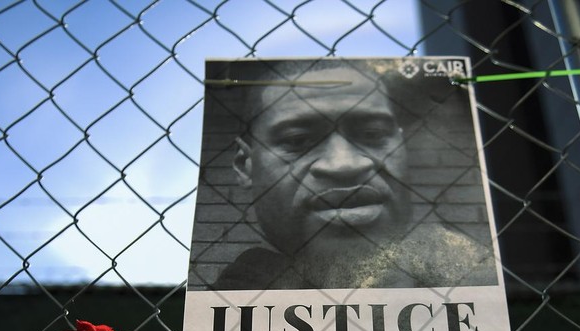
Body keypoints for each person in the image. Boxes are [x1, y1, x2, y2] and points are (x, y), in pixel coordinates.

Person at [211, 59, 498, 290]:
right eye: (297, 140)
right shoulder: (233, 310)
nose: (344, 165)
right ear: (244, 164)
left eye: (372, 134)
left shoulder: (469, 273)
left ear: (401, 147)